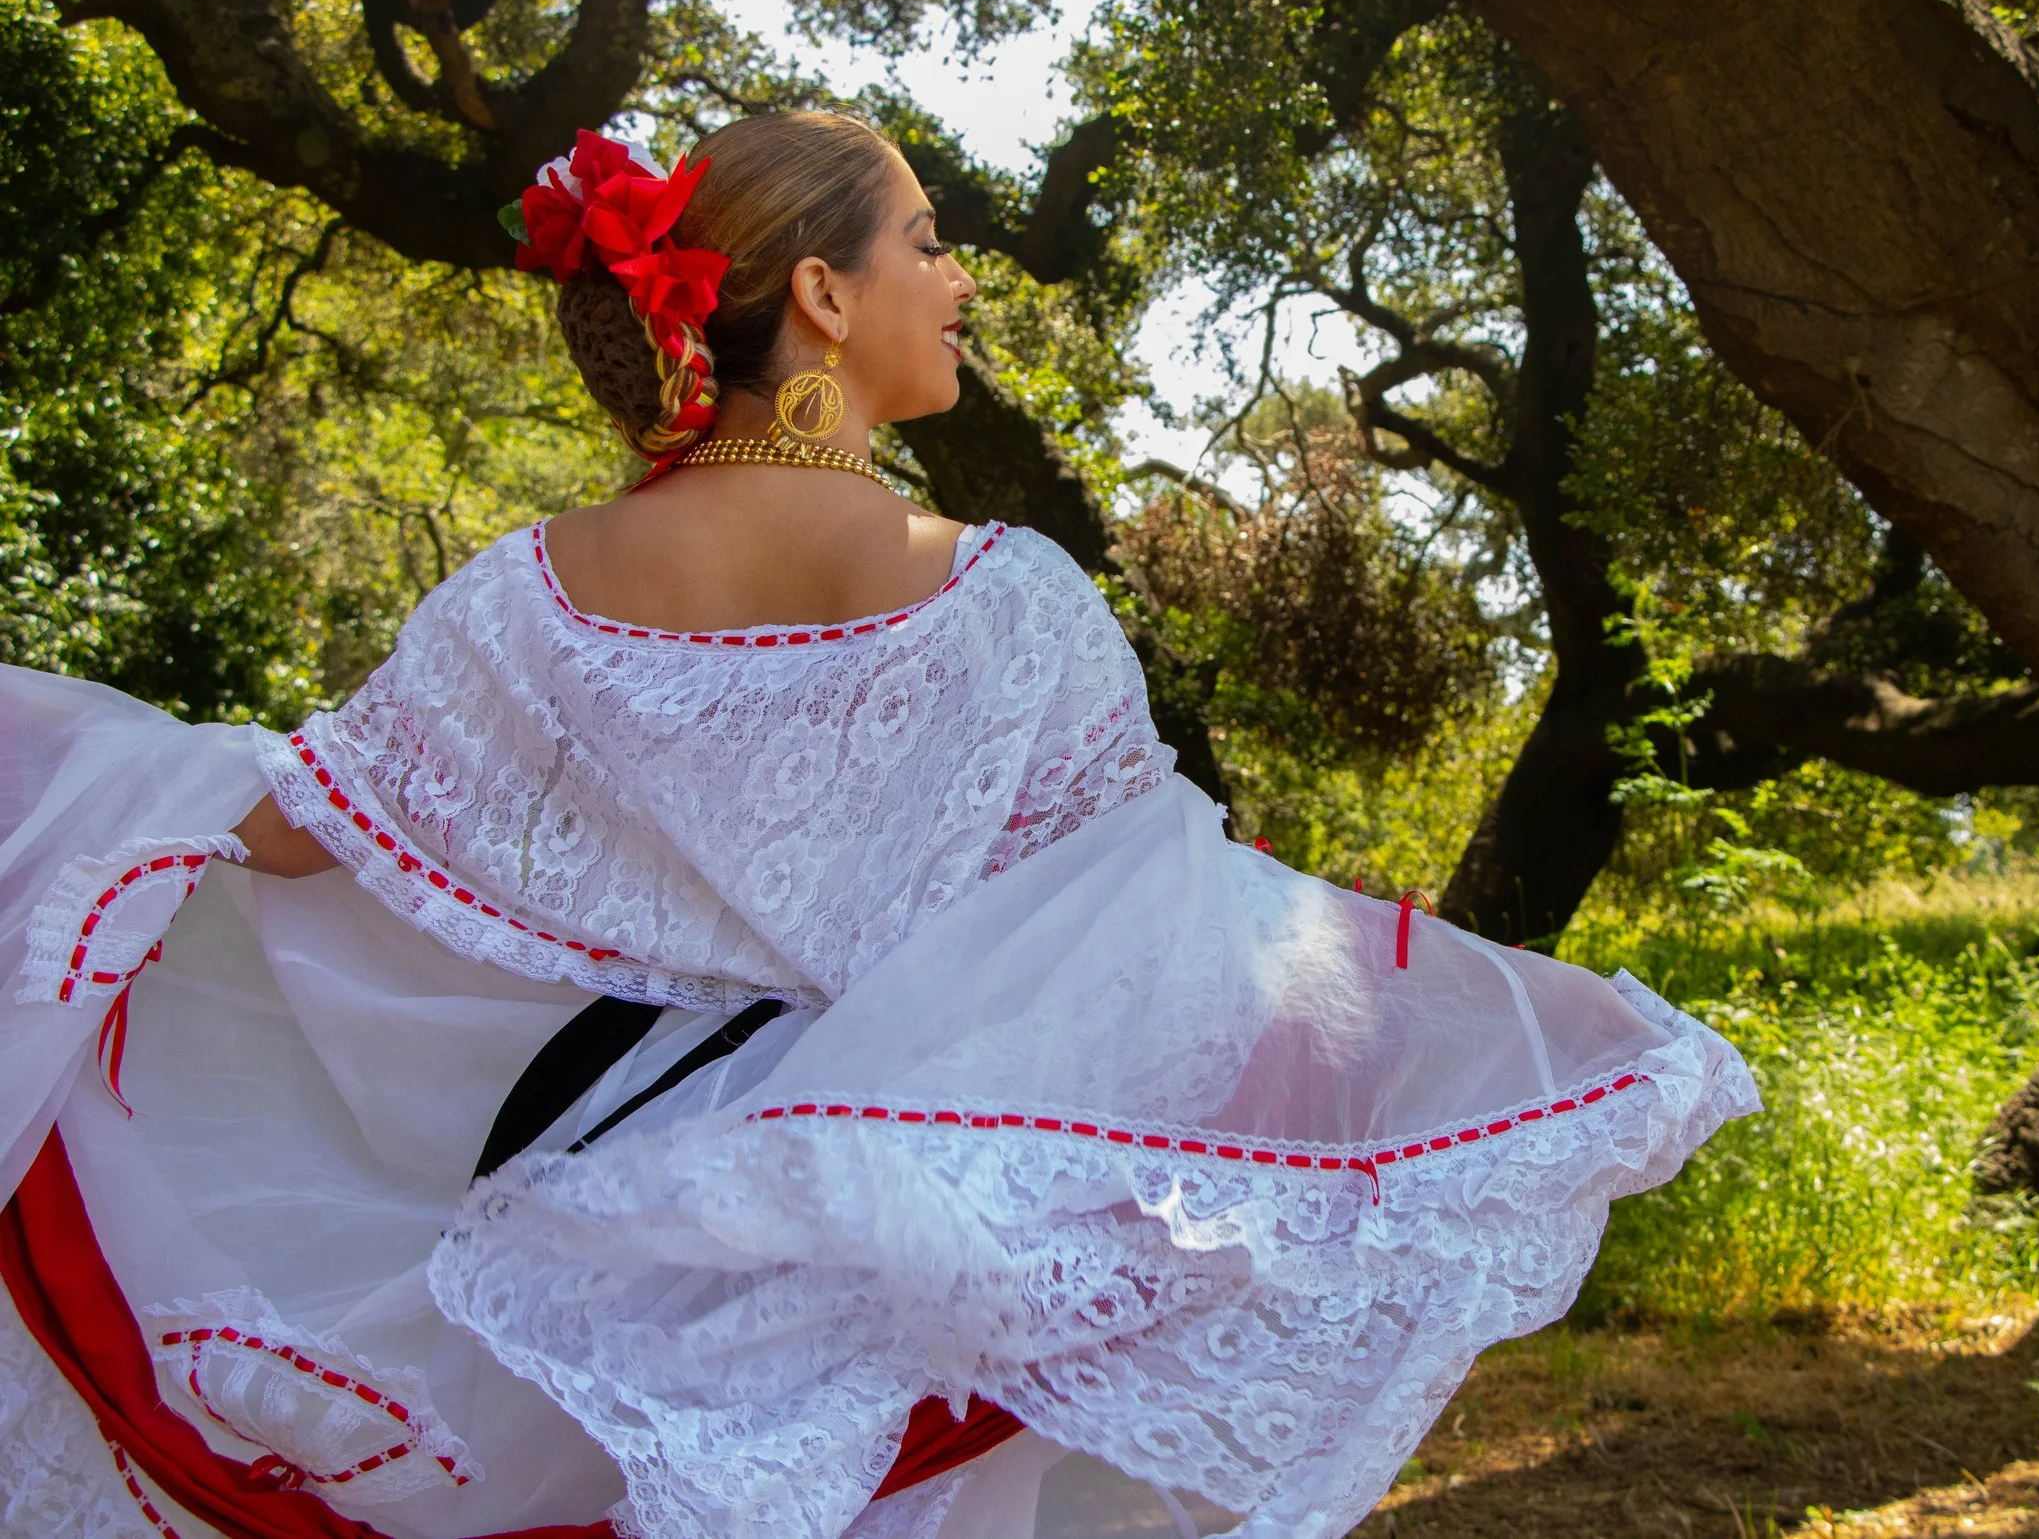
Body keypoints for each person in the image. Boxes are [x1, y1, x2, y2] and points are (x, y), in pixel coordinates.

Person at [0, 111, 1758, 1539]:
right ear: (824, 297)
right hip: (868, 1268)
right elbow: (1151, 938)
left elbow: (298, 833)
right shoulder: (1011, 606)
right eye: (927, 239)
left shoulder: (526, 596)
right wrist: (1470, 1013)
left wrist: (48, 766)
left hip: (562, 1236)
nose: (962, 276)